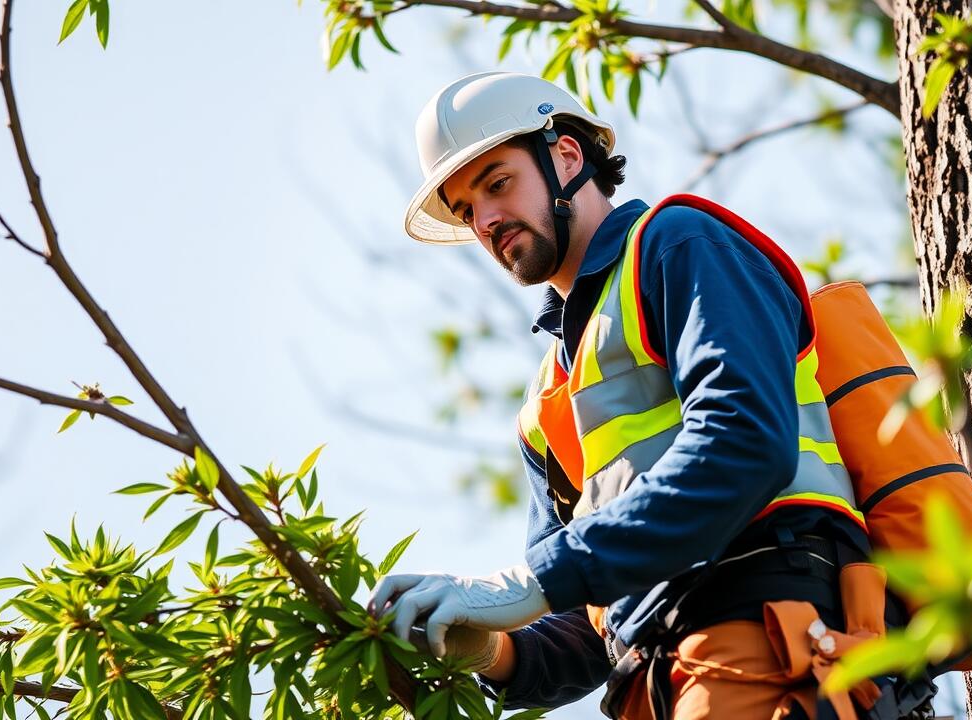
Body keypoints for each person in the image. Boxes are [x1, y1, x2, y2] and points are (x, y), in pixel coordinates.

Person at [368, 71, 879, 719]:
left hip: (766, 629)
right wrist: (493, 652)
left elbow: (746, 441)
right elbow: (589, 625)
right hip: (655, 683)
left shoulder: (676, 243)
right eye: (467, 211)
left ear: (566, 156)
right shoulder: (546, 402)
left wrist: (535, 581)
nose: (487, 220)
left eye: (497, 184)